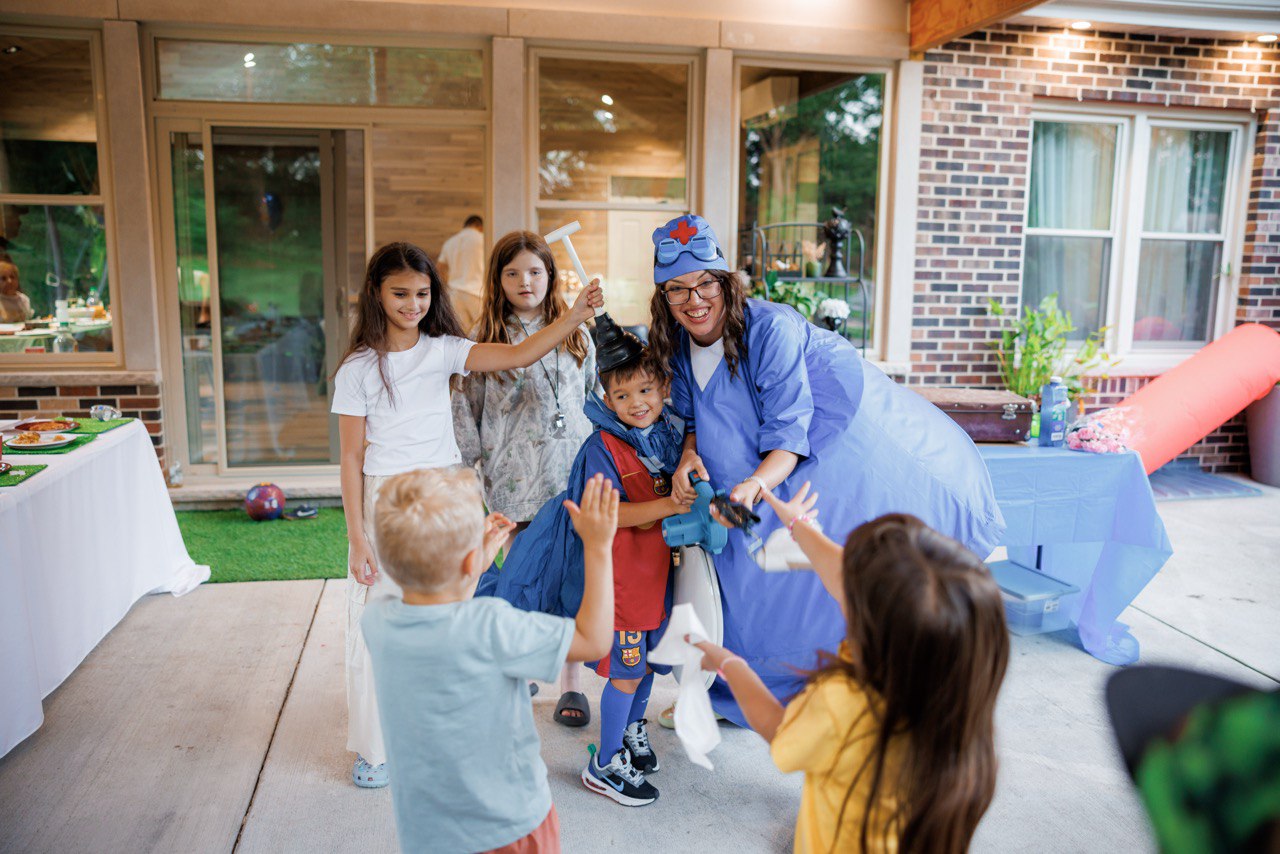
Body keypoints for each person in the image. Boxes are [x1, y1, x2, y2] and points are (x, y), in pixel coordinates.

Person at [647, 213, 1005, 726]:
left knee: (808, 581)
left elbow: (790, 436)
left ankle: (816, 699)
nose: (694, 300)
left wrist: (754, 485)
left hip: (797, 459)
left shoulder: (770, 330)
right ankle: (737, 693)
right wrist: (688, 455)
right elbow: (689, 419)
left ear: (725, 280)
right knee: (743, 580)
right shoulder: (678, 343)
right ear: (663, 297)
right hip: (735, 470)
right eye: (677, 289)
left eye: (705, 283)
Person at [331, 241, 602, 788]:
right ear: (376, 295)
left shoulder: (445, 349)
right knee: (383, 619)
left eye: (423, 293)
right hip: (388, 498)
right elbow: (351, 457)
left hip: (448, 491)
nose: (413, 304)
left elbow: (518, 355)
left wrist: (573, 315)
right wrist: (357, 539)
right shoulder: (359, 369)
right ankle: (377, 747)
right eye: (400, 293)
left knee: (452, 620)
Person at [694, 484, 1009, 853]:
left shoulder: (844, 702)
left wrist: (729, 663)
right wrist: (795, 523)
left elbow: (780, 733)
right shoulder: (958, 701)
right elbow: (850, 575)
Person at [363, 467, 618, 854]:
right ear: (470, 563)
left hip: (427, 832)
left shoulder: (378, 619)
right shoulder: (492, 628)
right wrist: (598, 548)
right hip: (509, 829)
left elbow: (440, 618)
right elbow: (594, 639)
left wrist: (468, 567)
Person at [480, 343, 689, 806]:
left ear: (664, 387)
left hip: (658, 575)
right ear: (605, 399)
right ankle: (605, 763)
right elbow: (609, 514)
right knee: (627, 671)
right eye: (621, 396)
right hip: (623, 581)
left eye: (646, 389)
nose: (636, 403)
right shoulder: (603, 446)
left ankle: (632, 729)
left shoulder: (667, 434)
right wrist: (668, 505)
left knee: (649, 663)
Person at [453, 230, 600, 727]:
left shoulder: (578, 331)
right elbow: (465, 411)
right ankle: (519, 668)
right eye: (512, 272)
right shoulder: (484, 339)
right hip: (511, 478)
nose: (525, 281)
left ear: (551, 276)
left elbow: (597, 395)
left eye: (535, 271)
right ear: (498, 280)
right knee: (519, 577)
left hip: (568, 470)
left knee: (570, 577)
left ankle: (571, 683)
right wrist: (470, 473)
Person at [438, 214, 486, 333]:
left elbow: (439, 269)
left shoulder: (450, 242)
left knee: (460, 336)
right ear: (480, 226)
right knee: (482, 334)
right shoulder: (482, 239)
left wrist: (449, 283)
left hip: (454, 294)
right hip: (477, 293)